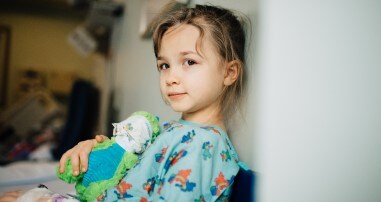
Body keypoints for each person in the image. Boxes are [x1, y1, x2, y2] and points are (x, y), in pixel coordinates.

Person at [0, 4, 248, 201]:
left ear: (229, 72)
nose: (171, 77)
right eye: (164, 65)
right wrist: (95, 154)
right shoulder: (171, 132)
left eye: (189, 62)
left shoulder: (204, 144)